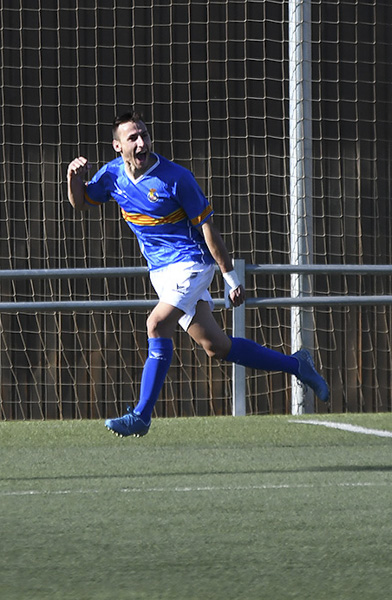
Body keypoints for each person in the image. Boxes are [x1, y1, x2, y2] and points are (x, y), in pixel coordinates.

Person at [65, 112, 329, 437]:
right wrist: (73, 178)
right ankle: (297, 365)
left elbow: (208, 230)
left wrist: (230, 279)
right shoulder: (112, 175)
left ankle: (141, 416)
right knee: (215, 347)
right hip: (161, 273)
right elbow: (80, 203)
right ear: (117, 145)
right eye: (133, 138)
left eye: (144, 135)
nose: (141, 142)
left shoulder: (176, 177)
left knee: (156, 324)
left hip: (192, 265)